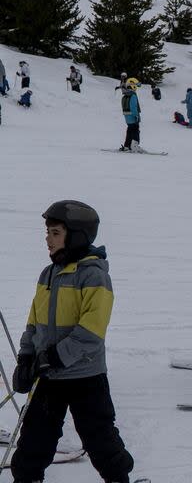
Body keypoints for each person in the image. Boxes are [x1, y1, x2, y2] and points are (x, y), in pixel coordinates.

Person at [11, 200, 134, 482]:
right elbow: (34, 322)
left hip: (85, 376)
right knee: (34, 439)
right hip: (50, 376)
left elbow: (91, 332)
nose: (47, 239)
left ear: (76, 235)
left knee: (99, 437)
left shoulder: (93, 276)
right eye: (48, 233)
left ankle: (118, 478)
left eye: (55, 233)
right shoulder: (49, 273)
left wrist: (54, 357)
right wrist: (26, 357)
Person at [120, 78, 141, 151]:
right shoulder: (133, 95)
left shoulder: (125, 96)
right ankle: (134, 145)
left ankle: (127, 145)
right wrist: (136, 115)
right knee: (135, 130)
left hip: (127, 117)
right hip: (133, 116)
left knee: (130, 130)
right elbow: (133, 107)